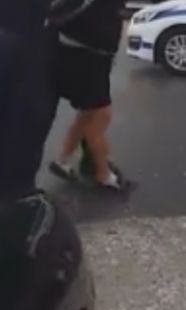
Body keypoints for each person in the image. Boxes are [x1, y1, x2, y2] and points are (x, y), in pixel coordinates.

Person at [0, 0, 58, 209]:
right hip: (28, 36)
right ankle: (19, 192)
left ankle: (0, 182)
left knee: (2, 111)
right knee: (32, 114)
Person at [48, 0, 132, 191]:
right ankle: (103, 174)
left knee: (88, 114)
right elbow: (59, 13)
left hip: (94, 57)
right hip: (82, 56)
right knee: (100, 115)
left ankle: (62, 160)